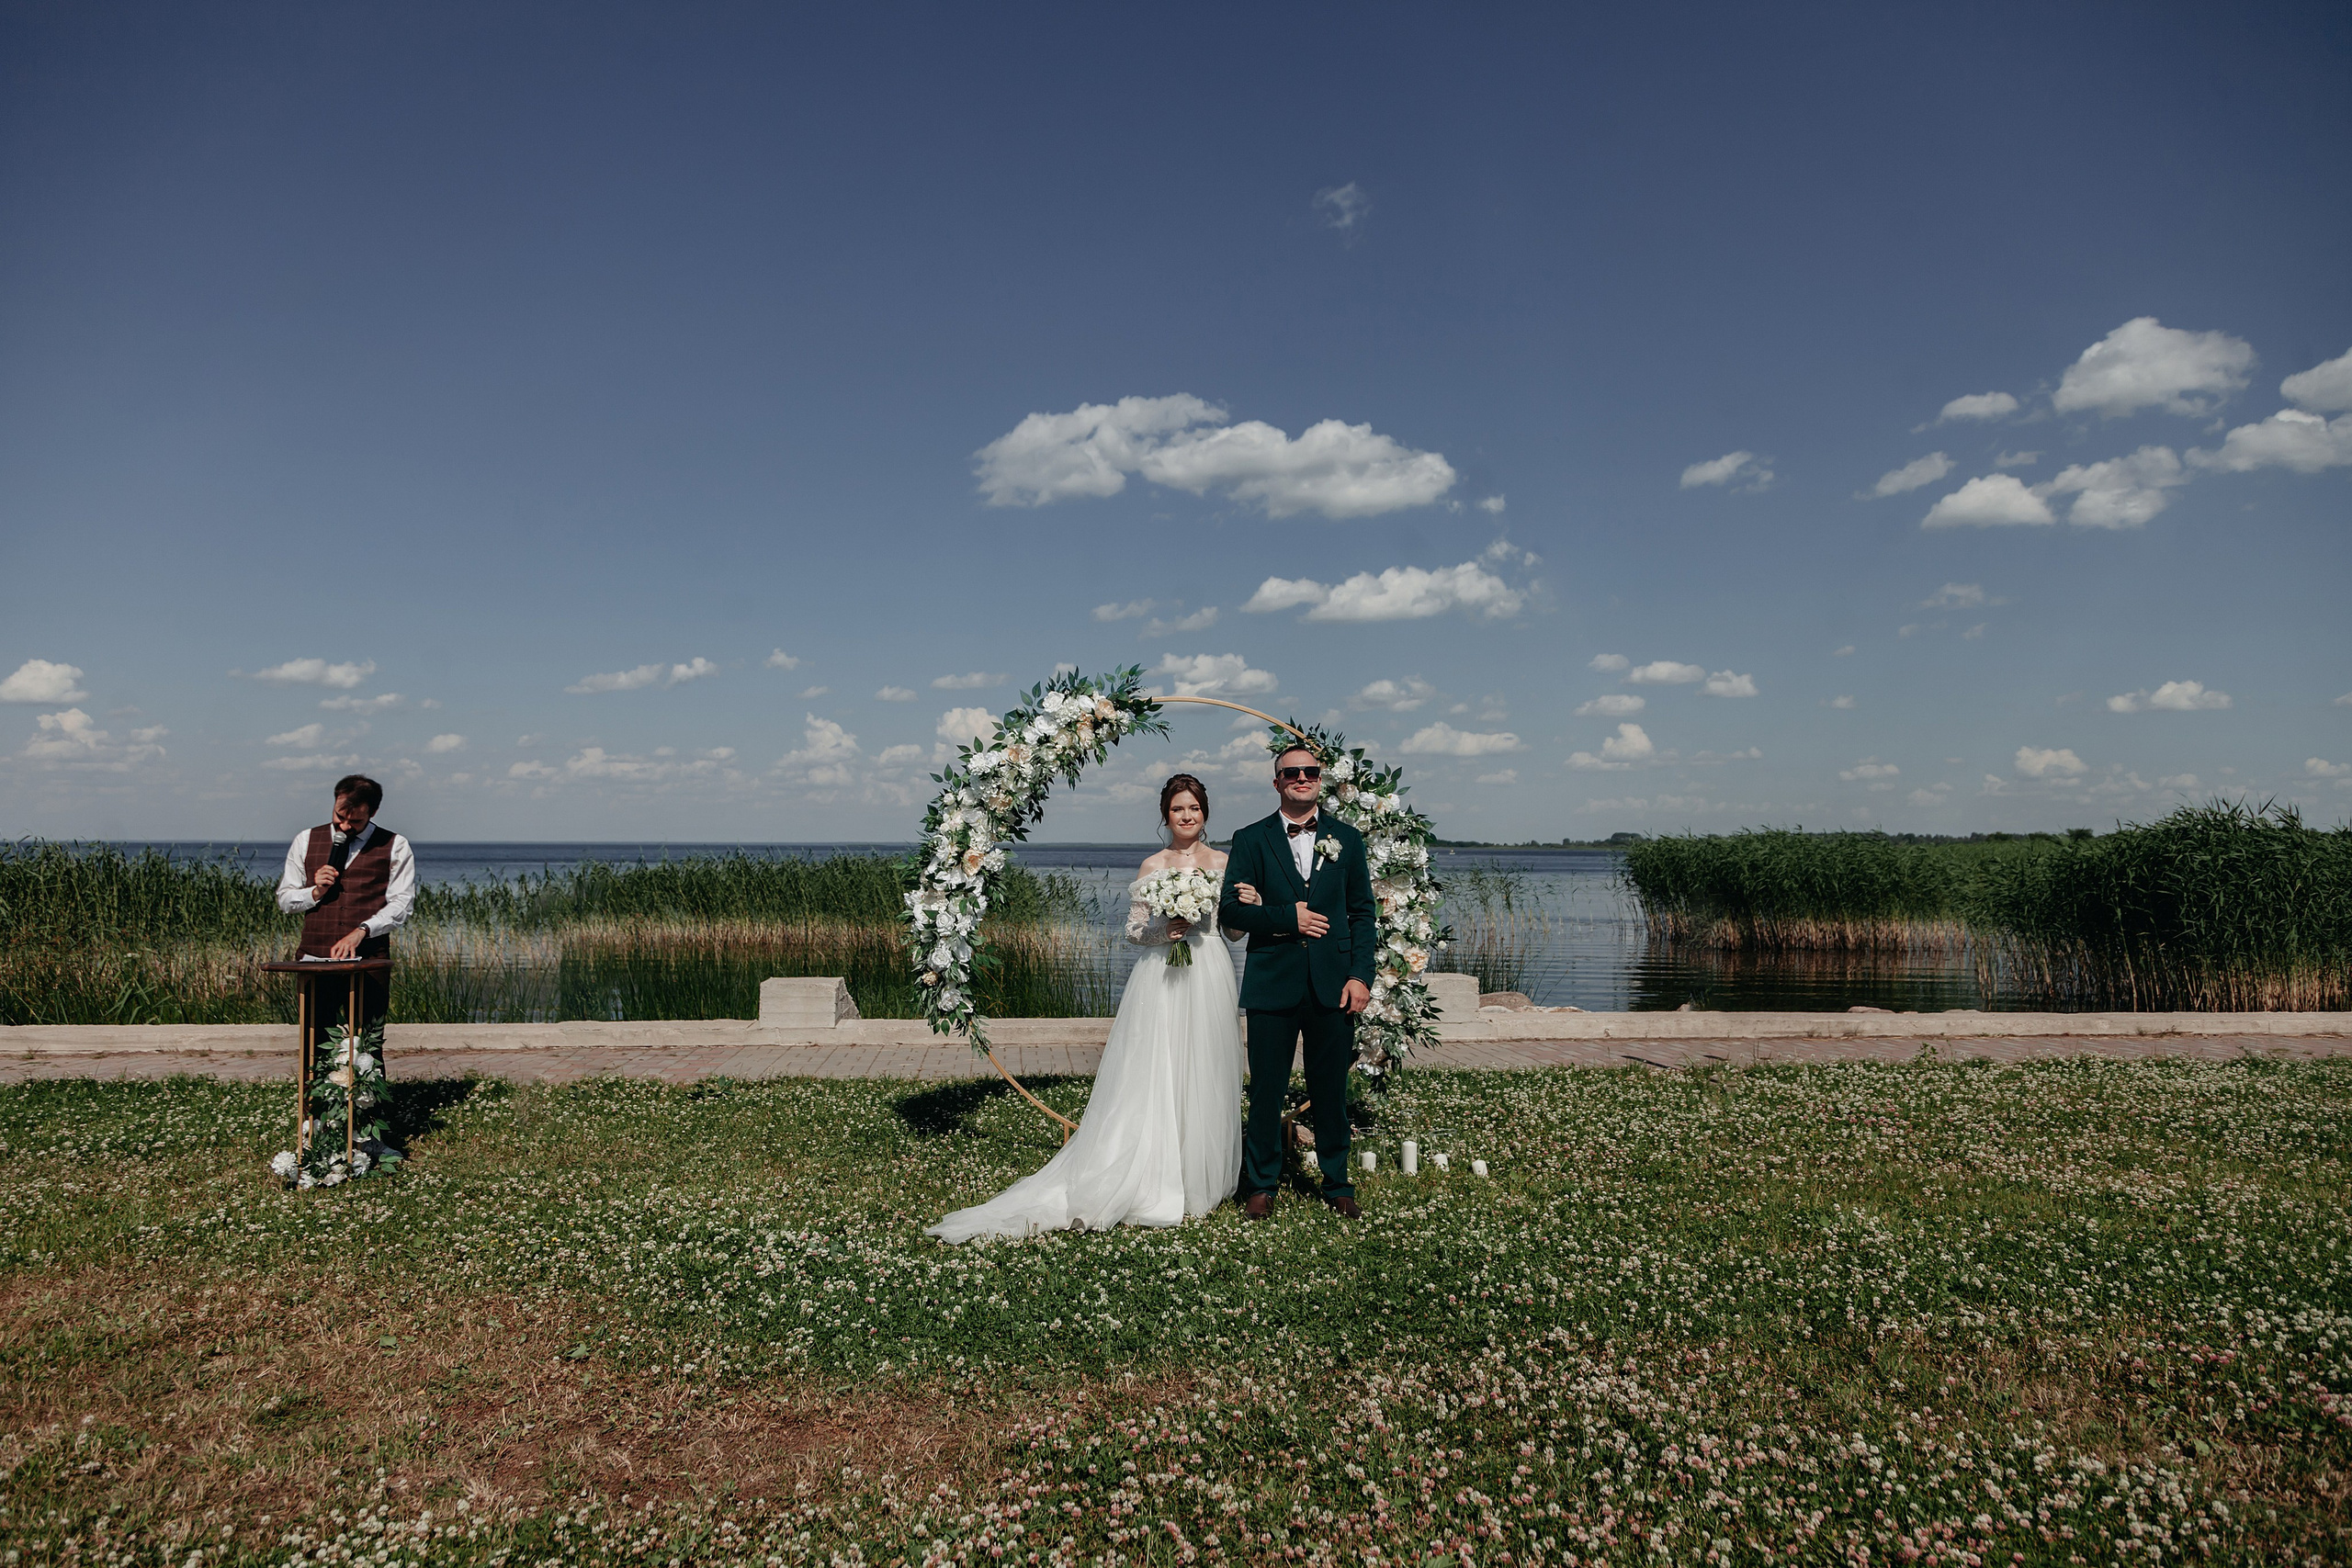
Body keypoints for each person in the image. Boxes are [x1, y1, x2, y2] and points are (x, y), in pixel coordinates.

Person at [927, 774, 1245, 1241]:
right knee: (1156, 1068)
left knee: (1206, 1067)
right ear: (1165, 815)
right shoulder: (1151, 865)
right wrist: (1166, 930)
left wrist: (1247, 905)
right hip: (1162, 974)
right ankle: (1149, 1170)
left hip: (1210, 971)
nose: (1187, 816)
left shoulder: (1224, 863)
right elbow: (1135, 931)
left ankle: (1200, 1174)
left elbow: (1234, 932)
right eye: (1178, 809)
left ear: (1205, 812)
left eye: (1194, 808)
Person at [1216, 744, 1376, 1220]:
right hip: (1272, 983)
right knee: (1266, 1089)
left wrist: (1360, 976)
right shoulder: (1249, 839)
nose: (1301, 778)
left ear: (1320, 779)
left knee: (1330, 1088)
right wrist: (1290, 917)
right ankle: (1262, 1184)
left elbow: (1363, 914)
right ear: (1277, 782)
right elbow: (1230, 911)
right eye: (1291, 773)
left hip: (1334, 984)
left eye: (1309, 771)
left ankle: (1337, 1182)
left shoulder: (1348, 839)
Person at [275, 773, 415, 1060]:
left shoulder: (395, 845)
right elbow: (285, 899)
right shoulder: (306, 840)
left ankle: (367, 1104)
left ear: (373, 812)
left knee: (367, 1043)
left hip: (369, 960)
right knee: (315, 1040)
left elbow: (402, 905)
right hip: (314, 958)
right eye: (340, 817)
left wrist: (363, 929)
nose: (344, 826)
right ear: (335, 803)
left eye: (356, 822)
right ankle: (314, 1103)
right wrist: (314, 892)